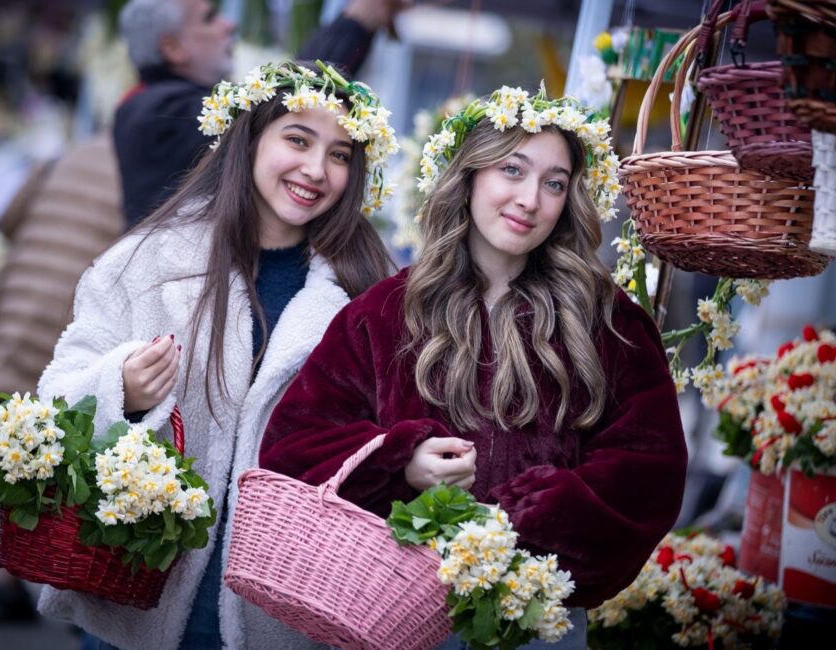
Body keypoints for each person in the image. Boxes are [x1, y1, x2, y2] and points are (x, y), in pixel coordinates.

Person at [259, 87, 688, 647]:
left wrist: (525, 520)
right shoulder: (383, 313)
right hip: (391, 614)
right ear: (470, 176)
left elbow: (648, 473)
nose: (530, 199)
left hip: (534, 621)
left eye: (554, 183)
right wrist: (400, 463)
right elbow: (292, 451)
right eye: (512, 169)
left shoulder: (610, 323)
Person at [36, 61, 397, 650]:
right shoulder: (149, 261)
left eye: (340, 154)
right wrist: (118, 387)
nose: (315, 170)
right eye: (298, 139)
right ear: (250, 137)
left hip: (284, 611)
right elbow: (56, 395)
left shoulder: (372, 293)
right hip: (137, 589)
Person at [0, 134, 123, 624]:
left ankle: (3, 579)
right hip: (68, 319)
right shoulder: (151, 173)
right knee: (58, 453)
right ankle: (44, 583)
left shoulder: (68, 153)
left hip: (17, 305)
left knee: (18, 449)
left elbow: (7, 221)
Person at [114, 0, 409, 227]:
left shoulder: (152, 103)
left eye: (339, 155)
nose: (229, 25)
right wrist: (358, 20)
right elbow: (291, 98)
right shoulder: (160, 111)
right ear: (173, 47)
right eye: (209, 18)